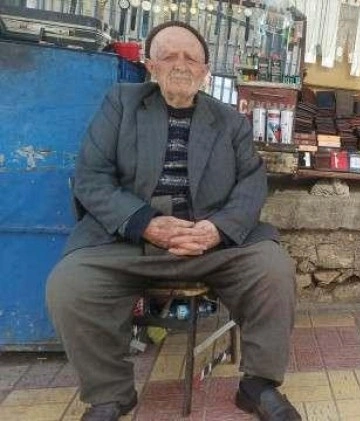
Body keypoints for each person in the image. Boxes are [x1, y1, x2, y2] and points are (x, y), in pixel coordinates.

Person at [46, 21, 301, 421]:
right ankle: (110, 395)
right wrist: (144, 222)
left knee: (274, 269)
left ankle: (258, 385)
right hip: (130, 241)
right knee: (70, 285)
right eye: (168, 56)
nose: (181, 65)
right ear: (150, 65)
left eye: (191, 58)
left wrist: (218, 229)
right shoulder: (121, 103)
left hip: (209, 241)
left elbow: (252, 183)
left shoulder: (231, 121)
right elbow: (91, 177)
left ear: (205, 71)